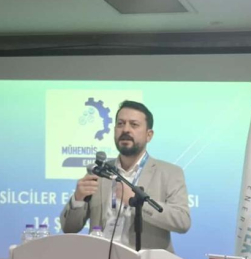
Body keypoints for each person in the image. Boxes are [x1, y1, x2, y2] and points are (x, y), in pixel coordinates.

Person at [60, 100, 191, 251]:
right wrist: (78, 199)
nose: (125, 130)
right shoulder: (100, 171)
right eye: (120, 124)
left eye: (134, 125)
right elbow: (69, 227)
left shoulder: (170, 173)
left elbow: (182, 221)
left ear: (149, 135)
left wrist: (137, 202)